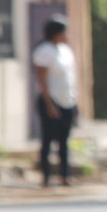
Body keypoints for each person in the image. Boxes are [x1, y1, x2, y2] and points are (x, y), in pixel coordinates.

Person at [31, 16, 79, 188]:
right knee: (48, 140)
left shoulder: (65, 50)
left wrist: (74, 100)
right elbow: (42, 80)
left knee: (64, 141)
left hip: (67, 100)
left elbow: (70, 77)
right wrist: (49, 104)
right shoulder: (44, 51)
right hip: (51, 102)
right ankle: (46, 176)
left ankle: (65, 175)